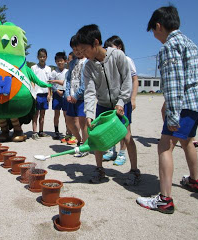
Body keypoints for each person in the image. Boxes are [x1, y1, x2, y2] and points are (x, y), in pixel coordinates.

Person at [136, 6, 198, 214]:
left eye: (154, 31)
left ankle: (164, 199)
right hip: (197, 103)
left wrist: (172, 115)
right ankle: (194, 181)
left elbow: (174, 83)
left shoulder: (169, 46)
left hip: (183, 104)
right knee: (188, 140)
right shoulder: (190, 43)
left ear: (158, 26)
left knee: (165, 145)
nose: (155, 36)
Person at [75, 24, 140, 185]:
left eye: (85, 50)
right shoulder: (88, 66)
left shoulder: (117, 56)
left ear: (96, 42)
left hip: (121, 103)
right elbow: (89, 91)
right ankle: (99, 169)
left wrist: (121, 101)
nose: (83, 54)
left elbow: (126, 80)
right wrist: (89, 113)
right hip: (103, 104)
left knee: (126, 135)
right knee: (96, 137)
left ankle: (134, 170)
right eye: (80, 51)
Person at [102, 36, 139, 166]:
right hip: (112, 101)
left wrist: (133, 98)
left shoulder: (127, 59)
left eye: (111, 47)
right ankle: (112, 151)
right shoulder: (107, 61)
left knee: (124, 129)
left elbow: (134, 80)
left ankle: (123, 153)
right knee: (112, 128)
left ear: (119, 47)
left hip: (124, 100)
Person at [64, 35, 89, 157]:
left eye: (79, 48)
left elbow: (86, 82)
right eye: (74, 49)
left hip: (82, 98)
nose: (77, 51)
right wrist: (68, 94)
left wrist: (77, 95)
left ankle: (85, 146)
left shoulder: (88, 61)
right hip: (71, 98)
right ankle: (79, 141)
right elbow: (68, 79)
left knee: (83, 123)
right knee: (69, 121)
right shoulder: (72, 62)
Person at [31, 48, 51, 140]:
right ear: (37, 57)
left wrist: (49, 94)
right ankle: (34, 132)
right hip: (37, 94)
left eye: (44, 56)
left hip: (45, 94)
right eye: (40, 57)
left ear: (46, 57)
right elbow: (32, 81)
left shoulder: (48, 68)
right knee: (35, 114)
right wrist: (33, 93)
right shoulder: (34, 68)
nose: (42, 58)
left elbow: (49, 82)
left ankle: (41, 131)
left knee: (43, 115)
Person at [48, 52, 69, 140]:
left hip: (65, 94)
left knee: (66, 114)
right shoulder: (53, 72)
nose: (60, 62)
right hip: (56, 95)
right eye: (58, 61)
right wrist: (56, 91)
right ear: (55, 62)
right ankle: (56, 132)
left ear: (65, 61)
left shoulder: (67, 71)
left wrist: (63, 92)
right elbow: (50, 83)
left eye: (61, 61)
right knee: (56, 114)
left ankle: (68, 131)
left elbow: (68, 83)